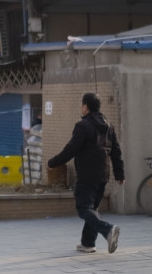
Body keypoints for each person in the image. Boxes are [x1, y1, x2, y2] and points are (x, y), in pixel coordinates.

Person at [47, 92, 125, 254]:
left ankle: (108, 230)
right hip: (103, 174)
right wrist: (119, 174)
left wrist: (53, 162)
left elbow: (71, 149)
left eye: (82, 105)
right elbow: (116, 151)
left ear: (86, 107)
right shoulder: (109, 126)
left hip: (87, 174)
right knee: (92, 209)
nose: (80, 108)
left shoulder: (83, 126)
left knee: (83, 208)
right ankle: (88, 243)